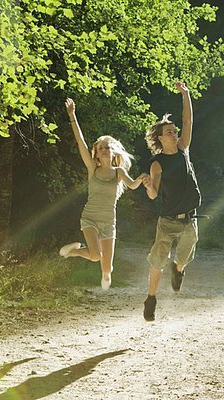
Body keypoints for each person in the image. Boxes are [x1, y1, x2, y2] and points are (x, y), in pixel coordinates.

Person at [59, 97, 147, 290]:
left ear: (113, 151)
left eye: (108, 147)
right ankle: (73, 251)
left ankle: (101, 270)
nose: (105, 150)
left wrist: (141, 179)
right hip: (90, 218)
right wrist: (72, 116)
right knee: (95, 255)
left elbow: (132, 186)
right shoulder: (93, 169)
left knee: (107, 269)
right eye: (101, 148)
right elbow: (81, 143)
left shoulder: (119, 172)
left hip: (109, 222)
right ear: (96, 154)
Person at [141, 82, 201, 321]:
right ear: (159, 138)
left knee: (183, 258)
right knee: (158, 259)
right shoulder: (158, 164)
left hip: (189, 219)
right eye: (169, 132)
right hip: (167, 222)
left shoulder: (183, 149)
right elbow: (154, 194)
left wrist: (185, 95)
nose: (174, 133)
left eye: (174, 131)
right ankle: (151, 298)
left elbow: (188, 121)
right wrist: (148, 186)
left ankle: (178, 271)